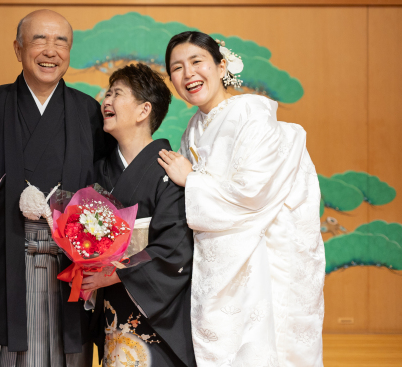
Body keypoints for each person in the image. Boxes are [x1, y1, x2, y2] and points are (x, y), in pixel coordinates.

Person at [0, 9, 110, 367]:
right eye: (39, 39)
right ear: (18, 48)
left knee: (68, 350)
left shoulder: (88, 113)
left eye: (61, 40)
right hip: (3, 260)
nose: (51, 50)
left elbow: (109, 184)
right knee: (2, 350)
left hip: (70, 266)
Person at [157, 31, 325, 367]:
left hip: (259, 261)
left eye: (197, 61)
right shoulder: (194, 127)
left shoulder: (251, 112)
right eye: (177, 67)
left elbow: (252, 192)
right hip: (218, 261)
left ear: (221, 67)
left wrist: (191, 179)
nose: (188, 73)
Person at [82, 64, 195, 367]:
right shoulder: (98, 172)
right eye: (107, 92)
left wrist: (119, 271)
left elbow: (174, 246)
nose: (105, 100)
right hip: (111, 302)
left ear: (144, 110)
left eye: (116, 93)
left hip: (155, 309)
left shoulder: (169, 171)